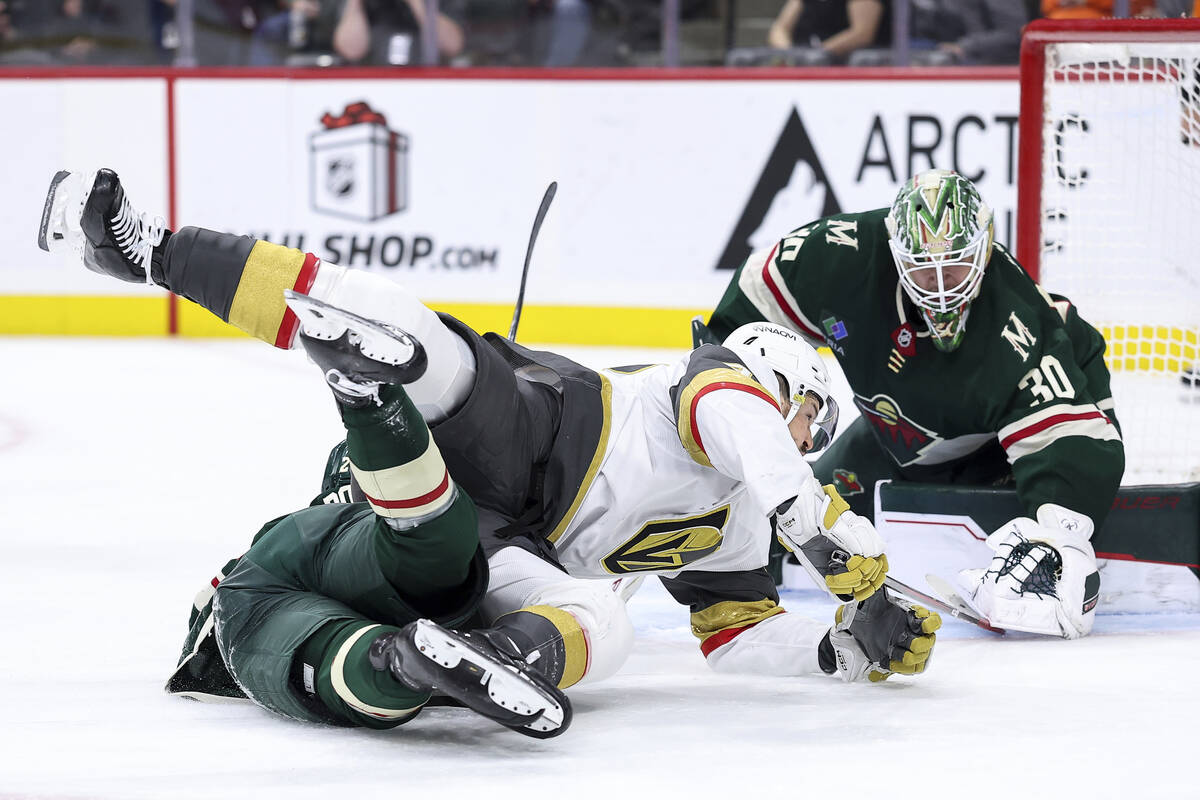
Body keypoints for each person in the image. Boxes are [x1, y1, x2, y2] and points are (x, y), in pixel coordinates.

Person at [40, 168, 942, 707]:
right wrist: (822, 523)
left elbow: (736, 638)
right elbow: (747, 432)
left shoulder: (750, 521)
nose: (812, 436)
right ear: (774, 375)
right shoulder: (715, 384)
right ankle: (147, 250)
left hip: (508, 546)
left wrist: (839, 649)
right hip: (529, 433)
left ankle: (487, 658)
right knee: (411, 333)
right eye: (812, 411)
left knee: (604, 625)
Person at [699, 168, 1125, 640]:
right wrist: (726, 408)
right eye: (924, 269)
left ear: (985, 250)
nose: (942, 287)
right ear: (895, 253)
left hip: (992, 448)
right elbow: (752, 299)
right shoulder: (843, 256)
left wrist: (1060, 530)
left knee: (1061, 506)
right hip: (897, 435)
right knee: (777, 526)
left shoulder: (1018, 318)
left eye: (957, 266)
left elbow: (1068, 439)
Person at [767, 0, 890, 62]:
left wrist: (817, 54)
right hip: (803, 59)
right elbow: (780, 28)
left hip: (841, 66)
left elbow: (862, 33)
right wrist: (790, 54)